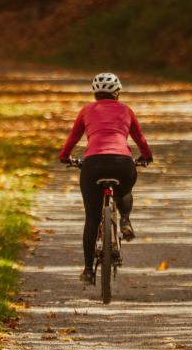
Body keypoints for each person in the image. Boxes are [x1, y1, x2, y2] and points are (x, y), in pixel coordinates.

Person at [59, 72, 154, 284]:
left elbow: (73, 138)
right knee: (125, 191)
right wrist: (146, 156)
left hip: (93, 165)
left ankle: (87, 271)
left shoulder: (86, 110)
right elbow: (139, 138)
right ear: (117, 93)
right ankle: (125, 220)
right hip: (123, 164)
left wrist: (65, 157)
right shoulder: (126, 110)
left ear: (95, 94)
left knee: (92, 218)